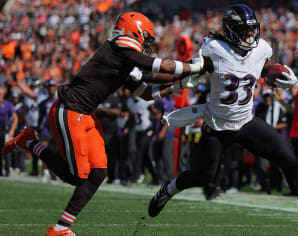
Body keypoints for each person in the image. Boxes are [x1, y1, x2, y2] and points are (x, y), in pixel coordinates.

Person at [3, 11, 209, 236]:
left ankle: (61, 228)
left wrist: (182, 84)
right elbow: (160, 67)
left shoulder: (122, 59)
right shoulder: (119, 48)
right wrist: (194, 66)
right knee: (77, 176)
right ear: (134, 32)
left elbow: (148, 91)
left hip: (86, 115)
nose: (147, 44)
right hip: (69, 111)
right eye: (145, 37)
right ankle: (30, 141)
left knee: (98, 172)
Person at [148, 5, 298, 234]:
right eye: (244, 31)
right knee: (202, 176)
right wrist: (156, 86)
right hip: (216, 126)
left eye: (252, 30)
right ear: (231, 30)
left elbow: (265, 69)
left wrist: (279, 75)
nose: (250, 35)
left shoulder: (261, 48)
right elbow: (189, 73)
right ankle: (168, 190)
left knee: (289, 161)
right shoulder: (213, 47)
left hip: (245, 122)